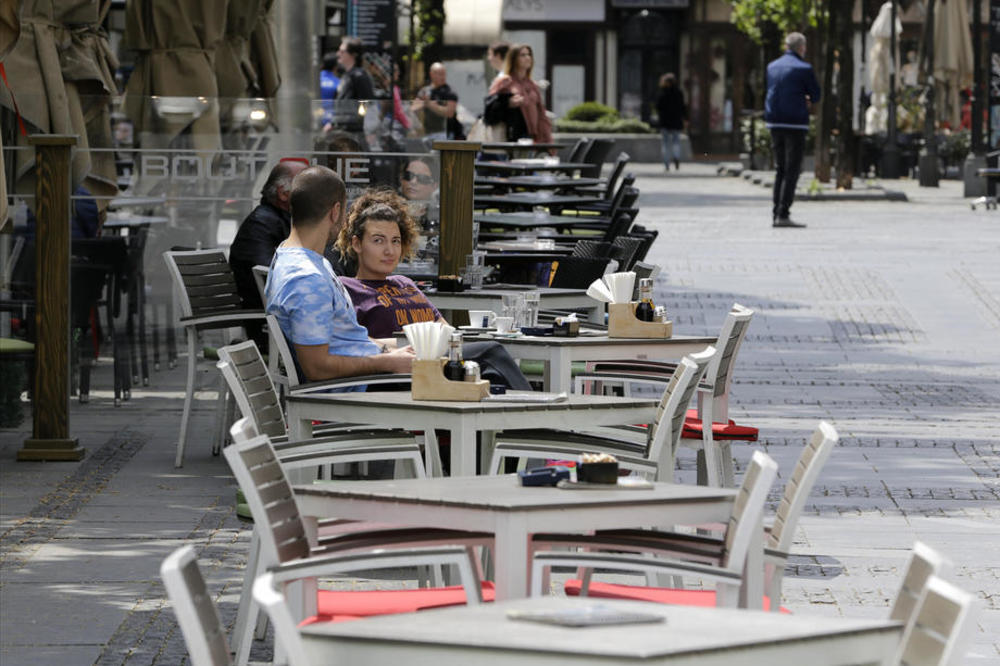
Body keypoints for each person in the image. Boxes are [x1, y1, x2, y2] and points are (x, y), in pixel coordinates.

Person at [336, 189, 531, 390]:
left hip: (435, 364)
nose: (390, 250)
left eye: (395, 241)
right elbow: (349, 339)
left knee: (490, 377)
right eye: (378, 240)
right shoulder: (346, 288)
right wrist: (397, 348)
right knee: (490, 353)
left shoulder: (405, 283)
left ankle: (528, 417)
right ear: (357, 244)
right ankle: (541, 415)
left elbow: (447, 332)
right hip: (394, 374)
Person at [264, 166, 414, 385]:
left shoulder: (295, 258)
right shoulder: (307, 278)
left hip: (368, 375)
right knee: (476, 361)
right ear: (335, 212)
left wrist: (392, 349)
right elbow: (317, 368)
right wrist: (387, 362)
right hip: (357, 388)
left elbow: (346, 339)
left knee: (461, 354)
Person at [228, 158, 310, 349]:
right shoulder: (261, 225)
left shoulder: (284, 220)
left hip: (288, 322)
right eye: (306, 185)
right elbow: (269, 278)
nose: (313, 193)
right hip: (271, 329)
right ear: (283, 193)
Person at [765, 32, 820, 229]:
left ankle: (775, 212)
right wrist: (805, 98)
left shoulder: (772, 66)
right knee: (792, 169)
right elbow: (815, 95)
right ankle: (783, 212)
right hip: (795, 123)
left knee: (780, 168)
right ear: (801, 48)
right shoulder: (804, 68)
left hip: (774, 122)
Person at [487, 44, 552, 144]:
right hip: (510, 137)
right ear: (513, 59)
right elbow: (489, 109)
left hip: (532, 136)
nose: (527, 58)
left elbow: (541, 113)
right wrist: (507, 103)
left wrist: (546, 137)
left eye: (529, 54)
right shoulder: (504, 82)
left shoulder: (532, 84)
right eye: (523, 55)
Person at [333, 37, 375, 135]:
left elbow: (366, 103)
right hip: (345, 129)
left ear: (353, 55)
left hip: (355, 131)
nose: (338, 54)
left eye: (342, 51)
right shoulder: (347, 75)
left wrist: (359, 122)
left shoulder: (359, 76)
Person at [413, 62, 465, 140]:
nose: (443, 77)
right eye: (440, 74)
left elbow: (450, 113)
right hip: (428, 133)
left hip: (447, 133)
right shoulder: (424, 91)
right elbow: (413, 109)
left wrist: (430, 104)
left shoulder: (450, 92)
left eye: (444, 74)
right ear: (431, 74)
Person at [656, 73, 687, 171]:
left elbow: (658, 107)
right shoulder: (679, 92)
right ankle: (676, 157)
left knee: (665, 143)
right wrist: (685, 118)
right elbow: (683, 107)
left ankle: (666, 164)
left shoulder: (662, 93)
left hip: (665, 122)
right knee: (676, 142)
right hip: (676, 121)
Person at [319, 51, 341, 126]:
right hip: (330, 121)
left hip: (315, 118)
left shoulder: (315, 80)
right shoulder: (338, 83)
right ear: (336, 67)